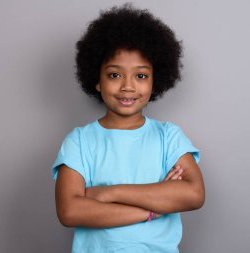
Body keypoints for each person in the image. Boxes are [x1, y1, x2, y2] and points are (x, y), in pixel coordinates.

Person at [51, 4, 205, 253]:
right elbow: (70, 211)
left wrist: (108, 193)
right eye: (114, 75)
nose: (128, 87)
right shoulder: (79, 141)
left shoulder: (169, 137)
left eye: (141, 76)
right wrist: (152, 210)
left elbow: (194, 194)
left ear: (155, 82)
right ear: (97, 81)